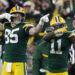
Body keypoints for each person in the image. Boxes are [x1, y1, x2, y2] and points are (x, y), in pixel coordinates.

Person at [0, 5, 49, 75]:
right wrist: (1, 16)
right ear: (10, 15)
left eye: (20, 15)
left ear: (23, 16)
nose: (17, 16)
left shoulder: (24, 26)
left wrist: (41, 23)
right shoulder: (6, 25)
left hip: (19, 62)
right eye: (15, 14)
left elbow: (34, 31)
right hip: (6, 62)